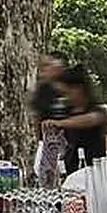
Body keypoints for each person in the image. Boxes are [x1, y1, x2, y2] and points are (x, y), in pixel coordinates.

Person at [43, 65, 107, 173]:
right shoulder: (65, 112)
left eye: (68, 92)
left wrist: (60, 123)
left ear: (79, 89)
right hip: (71, 172)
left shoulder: (96, 111)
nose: (66, 97)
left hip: (94, 173)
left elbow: (90, 120)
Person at [32, 51, 70, 186]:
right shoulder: (43, 90)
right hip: (48, 146)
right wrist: (40, 143)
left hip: (71, 147)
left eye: (49, 65)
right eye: (44, 67)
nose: (45, 70)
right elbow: (37, 119)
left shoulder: (72, 89)